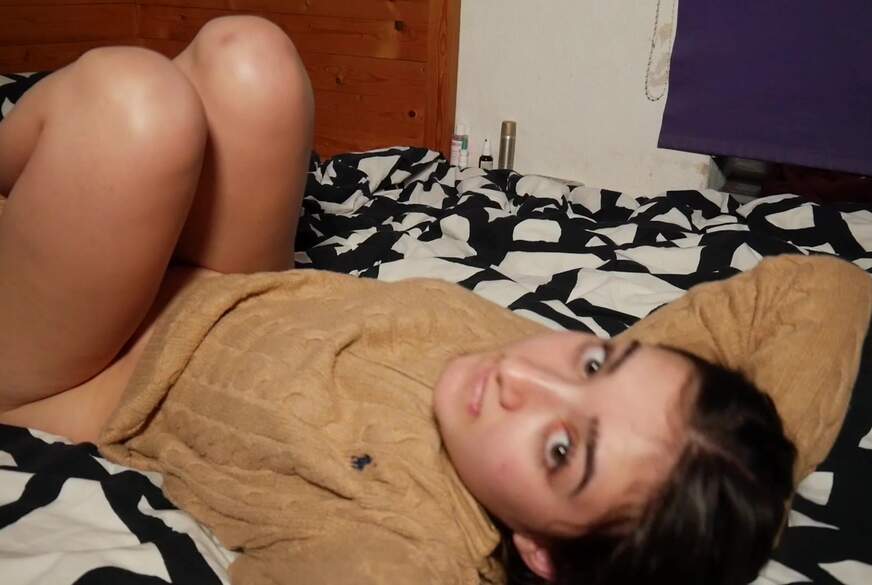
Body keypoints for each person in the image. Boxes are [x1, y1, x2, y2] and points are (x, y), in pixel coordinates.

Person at [0, 15, 869, 585]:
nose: (529, 377)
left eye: (561, 449)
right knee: (249, 57)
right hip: (241, 285)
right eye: (595, 361)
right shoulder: (651, 441)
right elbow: (823, 289)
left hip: (89, 375)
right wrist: (733, 494)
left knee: (136, 105)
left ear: (541, 552)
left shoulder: (409, 552)